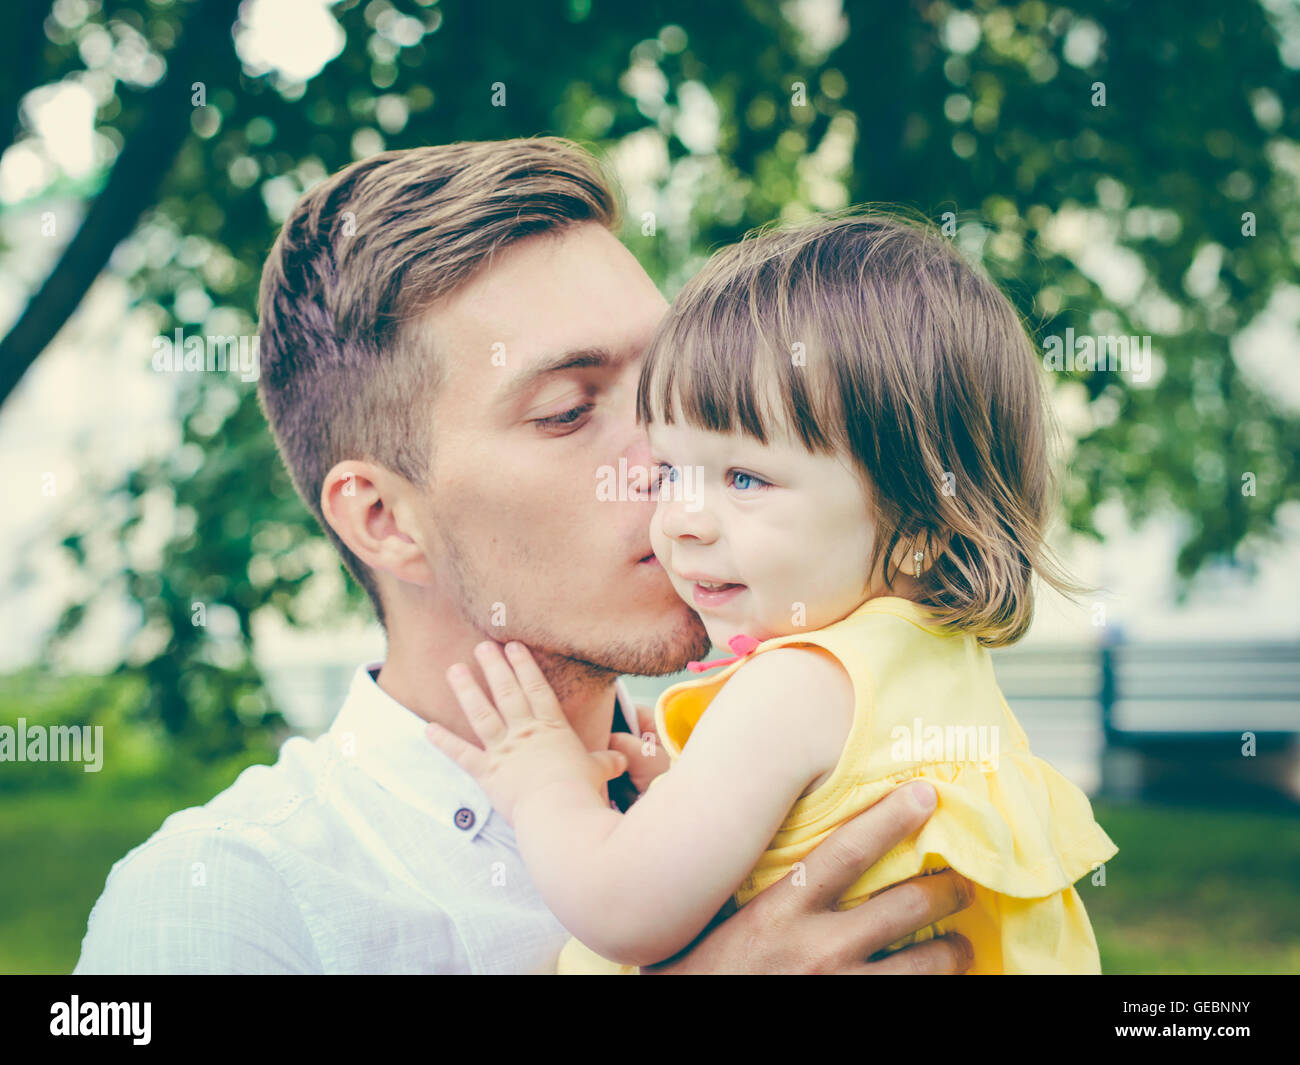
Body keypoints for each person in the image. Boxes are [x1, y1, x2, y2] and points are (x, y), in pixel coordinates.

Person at [74, 139, 974, 974]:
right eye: (569, 411)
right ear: (385, 519)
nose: (675, 451)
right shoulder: (222, 905)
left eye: (674, 385)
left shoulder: (795, 774)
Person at [425, 210, 1119, 974]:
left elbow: (623, 908)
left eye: (745, 478)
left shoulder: (795, 685)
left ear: (922, 523)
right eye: (672, 472)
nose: (680, 521)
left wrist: (542, 781)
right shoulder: (934, 664)